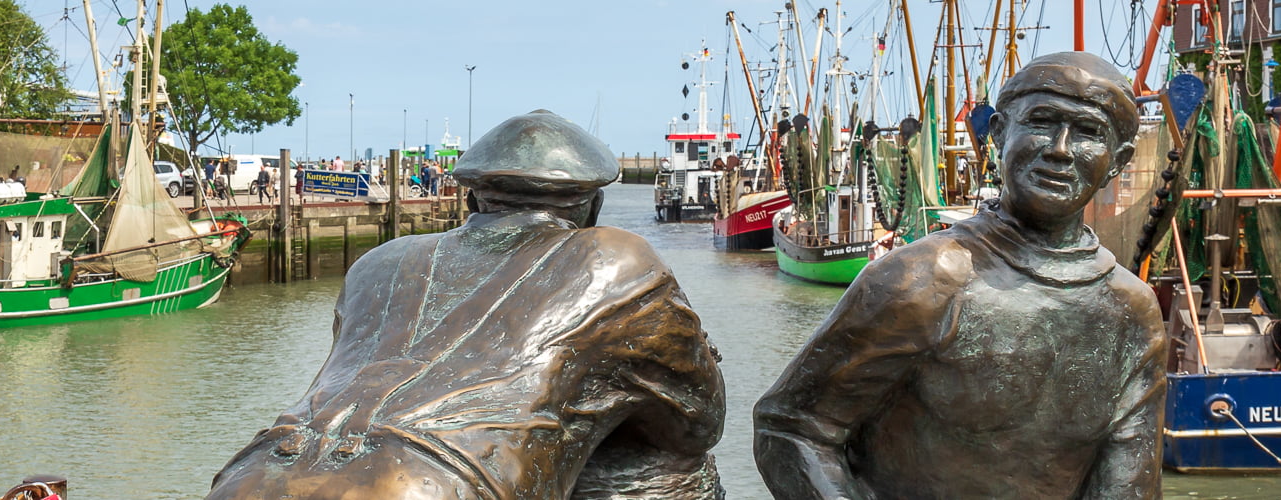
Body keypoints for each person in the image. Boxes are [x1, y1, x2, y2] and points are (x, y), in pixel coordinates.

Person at [208, 110, 726, 500]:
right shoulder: (614, 258)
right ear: (592, 205)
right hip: (427, 482)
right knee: (680, 472)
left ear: (473, 200)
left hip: (254, 472)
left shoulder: (380, 261)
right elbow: (697, 423)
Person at [753, 52, 1164, 500]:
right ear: (1000, 132)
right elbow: (793, 429)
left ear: (1119, 160)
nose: (1060, 149)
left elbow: (1129, 486)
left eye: (1087, 133)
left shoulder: (1131, 311)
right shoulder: (925, 278)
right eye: (1042, 121)